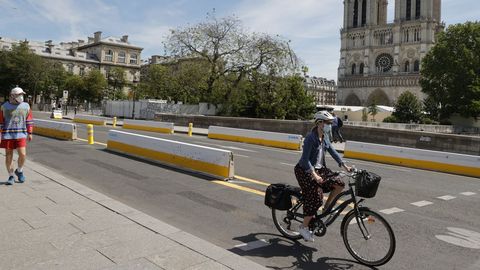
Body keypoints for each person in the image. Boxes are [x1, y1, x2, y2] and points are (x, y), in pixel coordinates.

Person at [294, 110, 351, 242]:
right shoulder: (311, 138)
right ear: (319, 123)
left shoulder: (324, 137)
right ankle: (303, 227)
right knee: (316, 196)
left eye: (331, 123)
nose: (330, 125)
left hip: (320, 170)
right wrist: (313, 174)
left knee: (339, 184)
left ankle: (326, 209)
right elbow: (304, 160)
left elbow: (332, 151)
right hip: (305, 171)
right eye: (328, 123)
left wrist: (344, 165)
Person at [0, 86, 33, 185]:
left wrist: (30, 132)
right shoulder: (4, 106)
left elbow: (29, 120)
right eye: (19, 95)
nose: (21, 96)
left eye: (22, 94)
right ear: (13, 96)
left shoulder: (26, 106)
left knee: (23, 154)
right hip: (7, 134)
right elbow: (1, 121)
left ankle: (19, 170)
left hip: (21, 134)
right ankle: (11, 176)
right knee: (9, 155)